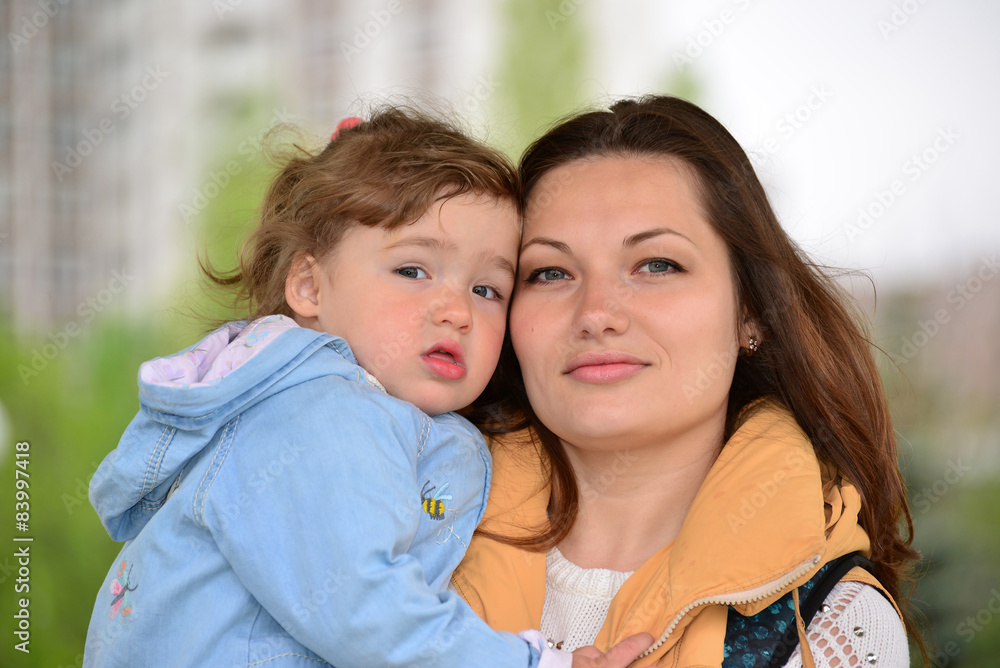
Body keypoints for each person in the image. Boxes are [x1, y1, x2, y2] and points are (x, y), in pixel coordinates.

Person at [83, 107, 650, 667]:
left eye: (487, 289)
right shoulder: (320, 413)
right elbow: (362, 608)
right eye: (412, 271)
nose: (457, 311)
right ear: (308, 286)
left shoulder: (380, 416)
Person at [452, 95, 924, 667]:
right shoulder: (398, 543)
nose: (597, 312)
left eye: (656, 265)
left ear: (750, 310)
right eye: (550, 272)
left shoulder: (831, 627)